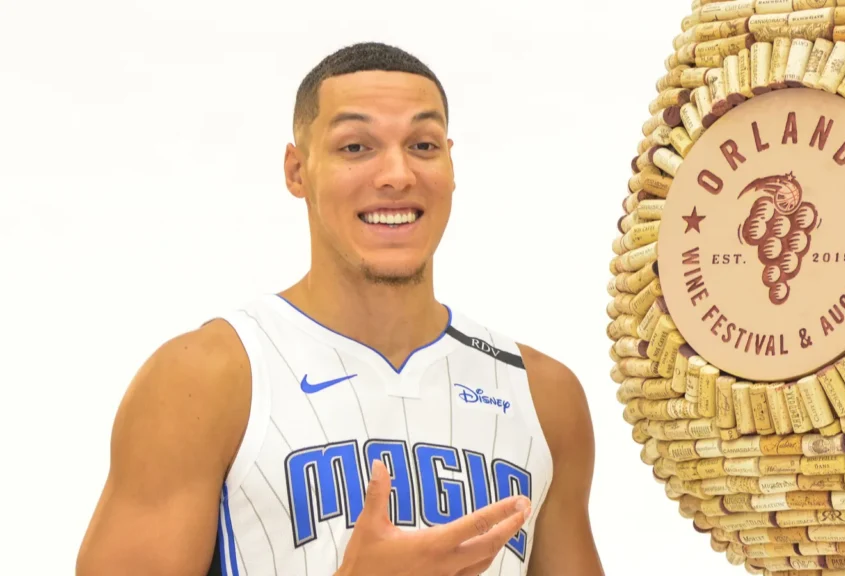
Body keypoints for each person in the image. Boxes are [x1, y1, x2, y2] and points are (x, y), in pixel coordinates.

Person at [75, 42, 603, 576]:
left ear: (450, 163)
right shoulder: (206, 379)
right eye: (356, 147)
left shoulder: (543, 396)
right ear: (297, 170)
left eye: (422, 145)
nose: (397, 174)